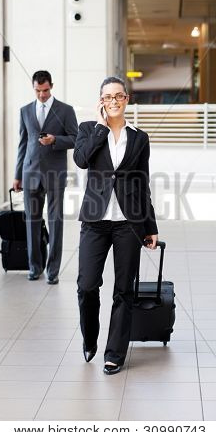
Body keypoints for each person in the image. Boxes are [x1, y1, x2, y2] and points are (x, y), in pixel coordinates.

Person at [73, 76, 158, 375]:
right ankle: (90, 338)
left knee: (123, 290)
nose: (113, 101)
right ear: (101, 101)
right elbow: (82, 160)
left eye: (118, 96)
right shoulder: (87, 130)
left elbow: (143, 182)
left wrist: (150, 225)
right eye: (107, 97)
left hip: (128, 224)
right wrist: (100, 127)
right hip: (95, 222)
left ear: (126, 99)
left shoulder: (139, 137)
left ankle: (114, 354)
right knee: (86, 286)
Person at [13, 70, 78, 284]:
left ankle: (53, 271)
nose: (42, 95)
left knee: (55, 221)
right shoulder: (24, 111)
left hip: (55, 172)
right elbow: (23, 144)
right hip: (30, 172)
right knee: (32, 221)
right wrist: (17, 175)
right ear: (33, 88)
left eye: (46, 90)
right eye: (38, 91)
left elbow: (76, 139)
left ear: (52, 86)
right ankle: (34, 267)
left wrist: (55, 140)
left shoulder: (65, 110)